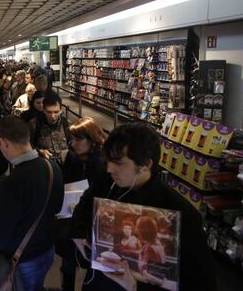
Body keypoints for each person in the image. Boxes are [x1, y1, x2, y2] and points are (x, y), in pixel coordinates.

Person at [70, 123, 217, 291]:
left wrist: (135, 286)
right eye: (108, 161)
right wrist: (78, 232)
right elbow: (85, 203)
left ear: (145, 164)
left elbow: (200, 282)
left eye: (118, 163)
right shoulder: (106, 180)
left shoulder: (180, 213)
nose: (110, 168)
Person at [0, 115, 64, 291]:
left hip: (24, 258)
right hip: (47, 250)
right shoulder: (52, 167)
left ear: (4, 143)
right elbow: (57, 207)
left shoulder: (11, 184)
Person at [58, 117, 107, 291]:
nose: (73, 143)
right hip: (70, 219)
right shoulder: (72, 158)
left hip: (93, 223)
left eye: (79, 139)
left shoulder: (104, 164)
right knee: (68, 263)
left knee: (93, 266)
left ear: (92, 140)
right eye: (72, 138)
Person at [29, 91, 70, 166]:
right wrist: (40, 151)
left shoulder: (65, 123)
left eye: (56, 112)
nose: (52, 116)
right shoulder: (34, 124)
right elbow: (28, 146)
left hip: (65, 166)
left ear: (61, 110)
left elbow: (71, 143)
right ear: (44, 110)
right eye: (49, 112)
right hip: (45, 167)